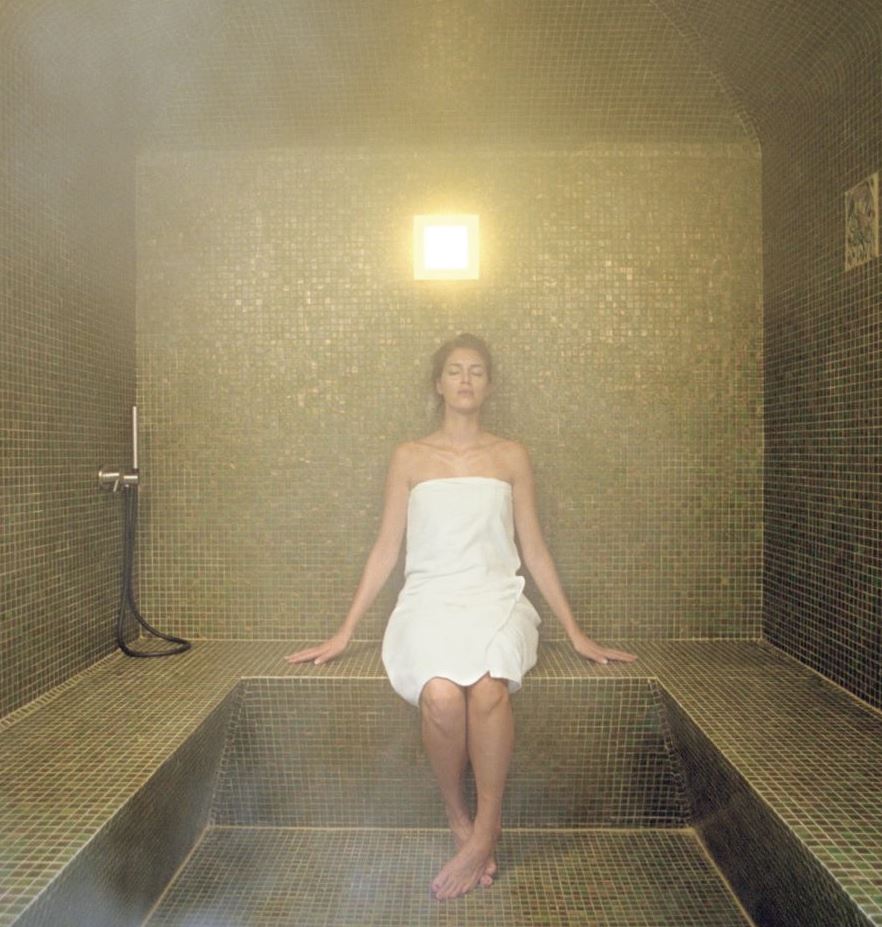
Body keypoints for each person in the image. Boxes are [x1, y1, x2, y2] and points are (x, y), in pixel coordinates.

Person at [286, 333, 637, 901]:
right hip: (427, 600)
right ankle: (458, 817)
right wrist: (344, 631)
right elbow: (386, 548)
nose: (466, 379)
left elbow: (534, 549)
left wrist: (576, 633)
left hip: (497, 597)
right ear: (439, 384)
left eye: (476, 370)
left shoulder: (511, 456)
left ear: (489, 385)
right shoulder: (409, 457)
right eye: (455, 370)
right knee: (443, 695)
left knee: (490, 686)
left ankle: (487, 828)